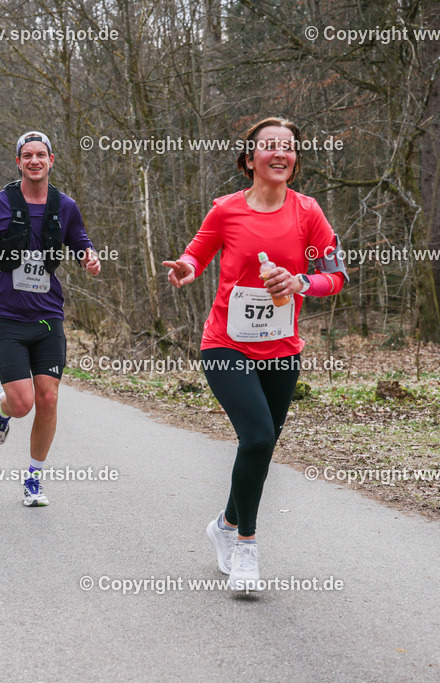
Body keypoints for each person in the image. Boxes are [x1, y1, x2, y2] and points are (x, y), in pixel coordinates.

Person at [162, 117, 348, 591]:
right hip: (226, 345)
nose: (279, 154)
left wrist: (301, 280)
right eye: (269, 147)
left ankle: (223, 525)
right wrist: (185, 268)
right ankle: (245, 547)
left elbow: (336, 276)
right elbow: (196, 254)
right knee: (260, 436)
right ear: (250, 159)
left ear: (296, 160)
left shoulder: (308, 212)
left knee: (258, 447)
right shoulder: (225, 210)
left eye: (288, 147)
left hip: (282, 352)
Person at [0, 131, 101, 507]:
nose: (34, 161)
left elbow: (80, 238)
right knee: (23, 403)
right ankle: (2, 408)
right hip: (6, 312)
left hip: (48, 314)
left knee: (48, 398)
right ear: (18, 162)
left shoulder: (65, 205)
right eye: (27, 156)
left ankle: (34, 479)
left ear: (52, 160)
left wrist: (89, 256)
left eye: (41, 155)